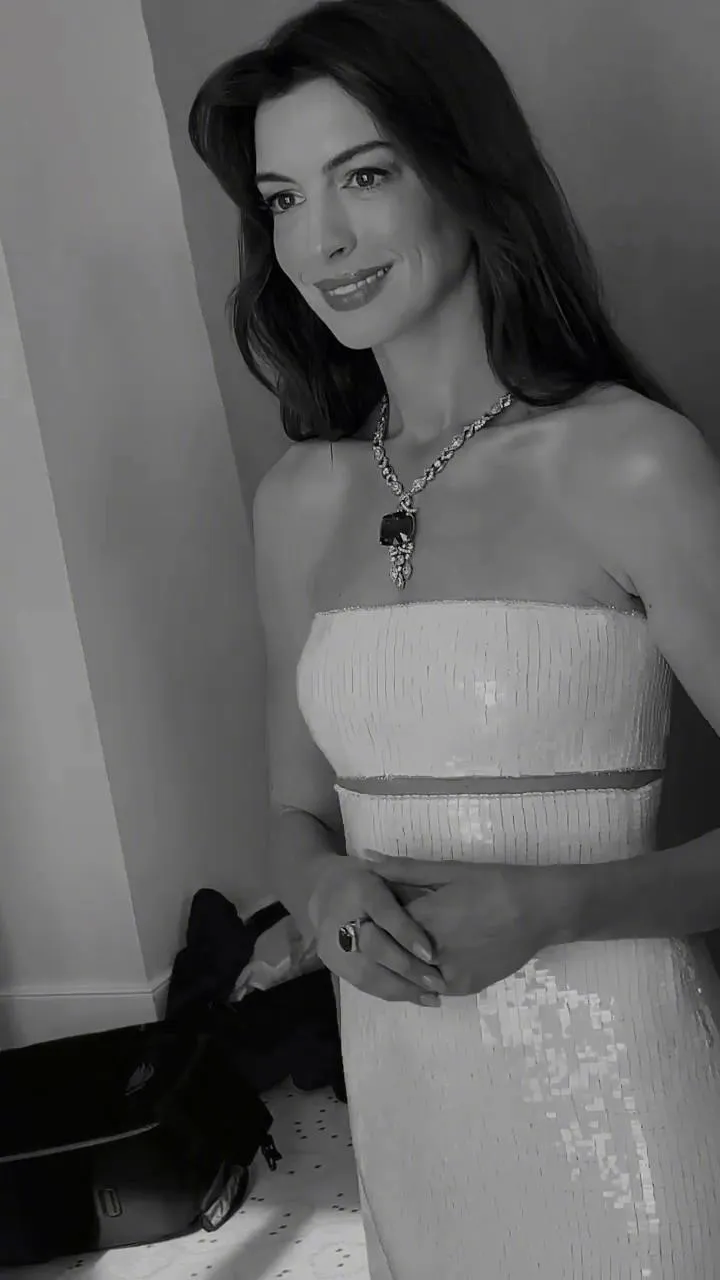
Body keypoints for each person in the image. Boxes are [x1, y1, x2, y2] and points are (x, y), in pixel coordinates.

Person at [188, 0, 720, 1274]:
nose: (320, 240)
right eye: (282, 198)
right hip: (410, 1100)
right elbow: (294, 810)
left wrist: (564, 903)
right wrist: (321, 891)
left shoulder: (628, 461)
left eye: (364, 175)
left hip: (623, 1098)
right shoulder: (298, 501)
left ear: (465, 170)